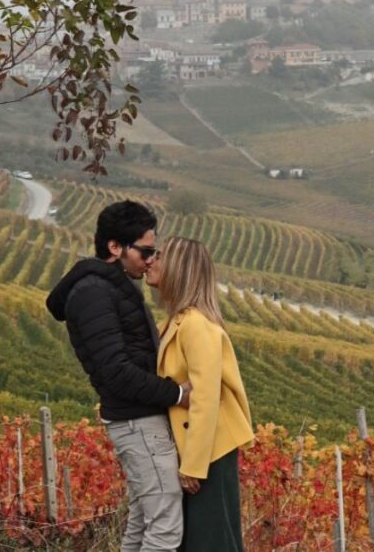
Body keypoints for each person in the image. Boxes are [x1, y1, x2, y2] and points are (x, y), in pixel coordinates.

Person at [46, 200, 190, 551]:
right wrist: (177, 394)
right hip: (137, 422)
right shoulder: (95, 293)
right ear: (115, 247)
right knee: (165, 526)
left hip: (138, 419)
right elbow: (116, 372)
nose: (151, 260)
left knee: (142, 520)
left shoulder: (110, 287)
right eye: (145, 251)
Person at [146, 237, 253, 552]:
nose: (150, 260)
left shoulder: (196, 325)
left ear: (179, 268)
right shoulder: (175, 322)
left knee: (210, 542)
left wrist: (193, 465)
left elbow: (205, 399)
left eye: (159, 256)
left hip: (208, 454)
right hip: (199, 450)